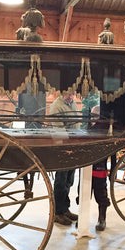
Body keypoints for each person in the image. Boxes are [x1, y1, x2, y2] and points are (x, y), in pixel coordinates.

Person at [49, 91, 80, 226]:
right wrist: (67, 146)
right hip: (63, 146)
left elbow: (76, 124)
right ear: (62, 93)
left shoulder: (73, 104)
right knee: (61, 180)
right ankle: (57, 213)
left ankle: (64, 209)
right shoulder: (57, 106)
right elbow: (58, 130)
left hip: (73, 145)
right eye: (68, 93)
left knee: (69, 180)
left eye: (73, 94)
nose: (71, 96)